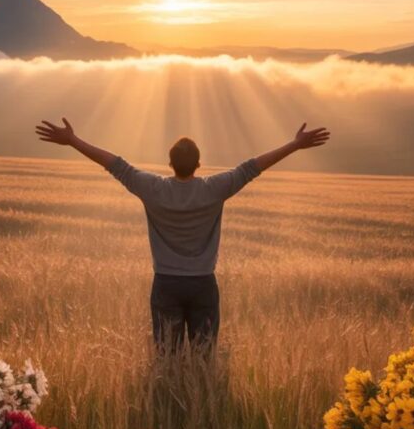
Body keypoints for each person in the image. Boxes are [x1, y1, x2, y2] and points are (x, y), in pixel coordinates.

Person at [35, 118, 330, 352]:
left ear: (170, 163)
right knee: (204, 359)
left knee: (166, 359)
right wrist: (294, 145)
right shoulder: (214, 188)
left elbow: (114, 164)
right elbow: (253, 167)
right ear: (199, 165)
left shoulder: (153, 188)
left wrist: (72, 140)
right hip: (203, 284)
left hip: (165, 284)